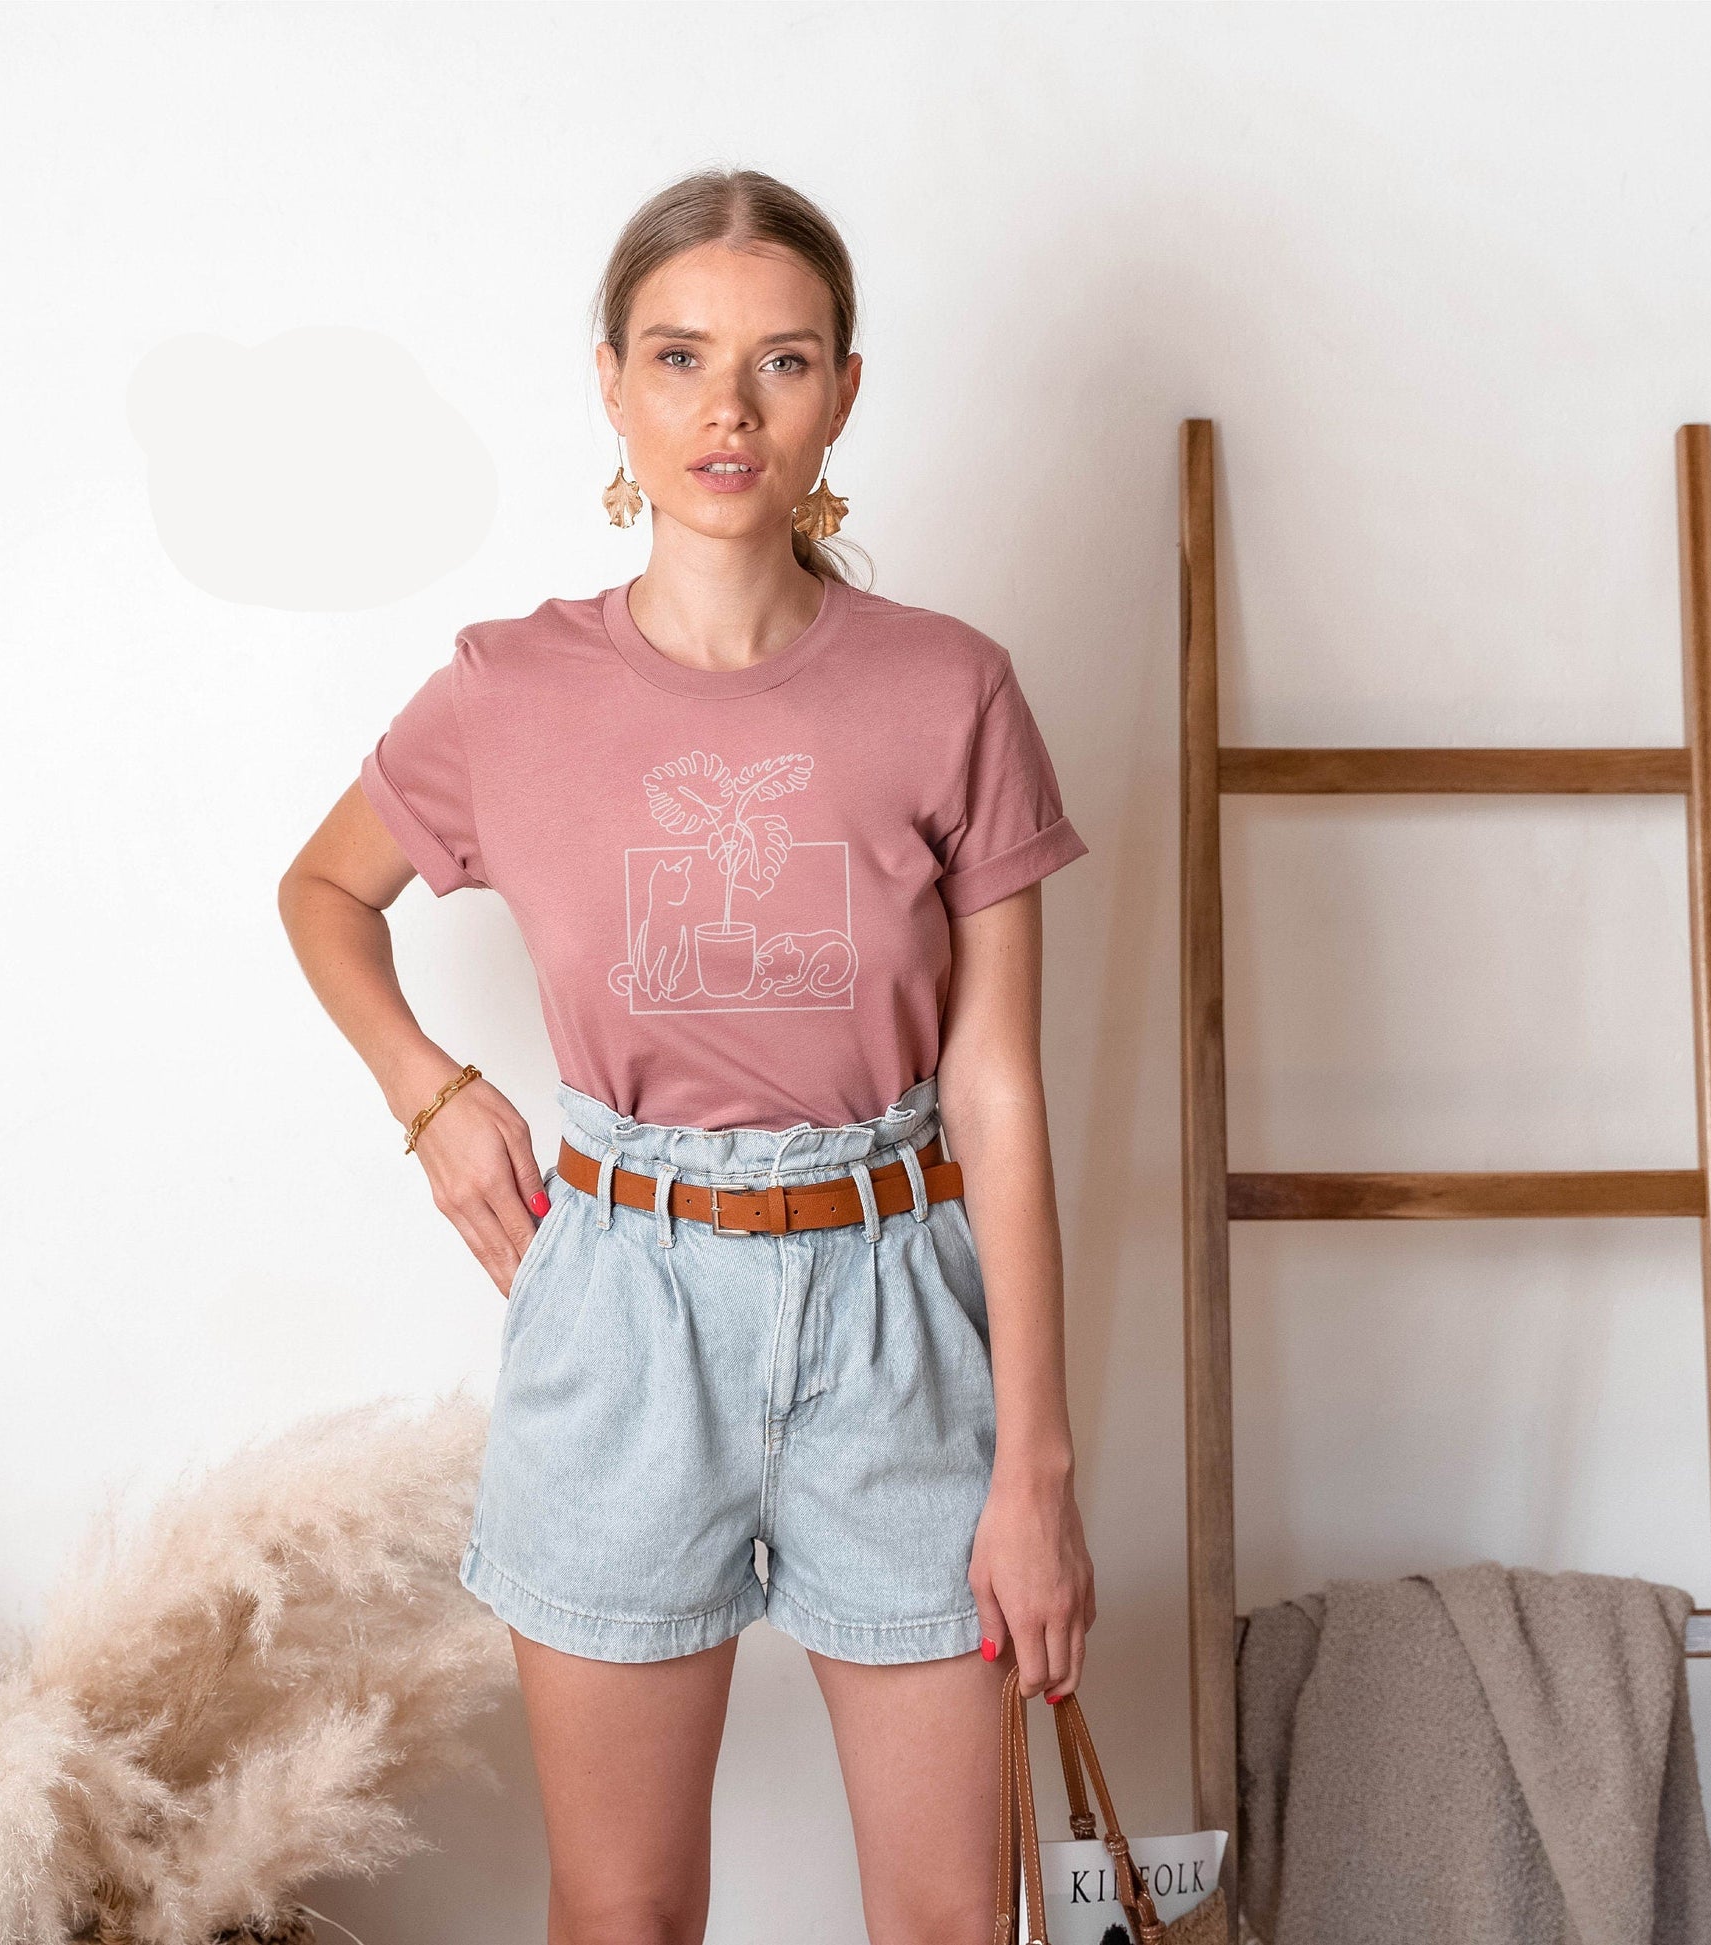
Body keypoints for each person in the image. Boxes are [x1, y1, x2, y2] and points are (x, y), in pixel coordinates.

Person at [277, 167, 1095, 1944]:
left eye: (781, 361)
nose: (729, 408)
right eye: (679, 356)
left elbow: (998, 1090)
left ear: (842, 395)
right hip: (621, 1310)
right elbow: (323, 890)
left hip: (896, 1310)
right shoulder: (507, 691)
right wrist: (431, 1092)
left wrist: (1032, 1463)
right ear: (611, 383)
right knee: (626, 1908)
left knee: (956, 1920)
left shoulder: (951, 689)